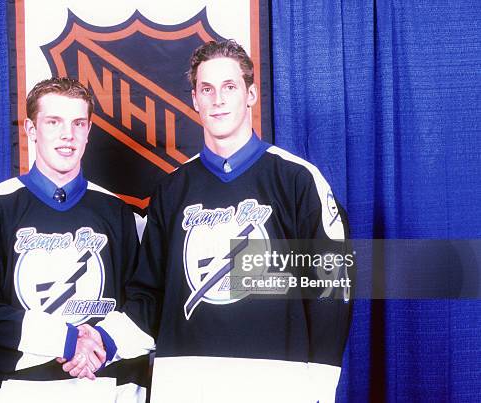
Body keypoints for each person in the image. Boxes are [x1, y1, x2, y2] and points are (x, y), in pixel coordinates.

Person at [63, 40, 353, 402]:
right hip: (188, 384)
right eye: (207, 89)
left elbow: (330, 287)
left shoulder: (297, 181)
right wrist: (102, 339)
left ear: (250, 94)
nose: (217, 99)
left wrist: (320, 387)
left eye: (229, 87)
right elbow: (149, 297)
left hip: (276, 386)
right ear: (195, 100)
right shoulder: (171, 191)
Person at [0, 77, 147, 402]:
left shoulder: (122, 216)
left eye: (78, 123)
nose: (68, 134)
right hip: (13, 392)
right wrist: (65, 340)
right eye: (54, 122)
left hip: (108, 390)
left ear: (88, 131)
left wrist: (106, 341)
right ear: (31, 129)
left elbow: (148, 302)